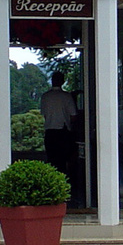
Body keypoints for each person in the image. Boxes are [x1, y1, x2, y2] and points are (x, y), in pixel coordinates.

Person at [40, 71, 79, 201]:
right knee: (64, 161)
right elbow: (73, 116)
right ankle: (64, 189)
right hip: (63, 131)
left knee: (52, 160)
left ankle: (52, 189)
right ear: (62, 81)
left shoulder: (45, 97)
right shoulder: (66, 97)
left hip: (50, 131)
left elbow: (44, 114)